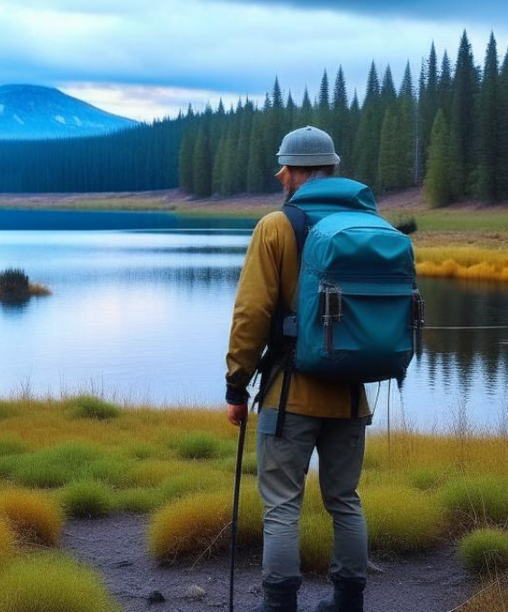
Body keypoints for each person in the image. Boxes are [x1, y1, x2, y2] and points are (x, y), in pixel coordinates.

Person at [225, 126, 370, 612]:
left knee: (283, 506)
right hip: (351, 391)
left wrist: (235, 386)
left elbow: (251, 315)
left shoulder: (276, 225)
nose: (279, 175)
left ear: (296, 172)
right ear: (331, 168)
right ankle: (349, 600)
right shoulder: (368, 224)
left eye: (283, 167)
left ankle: (279, 605)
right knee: (345, 499)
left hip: (290, 394)